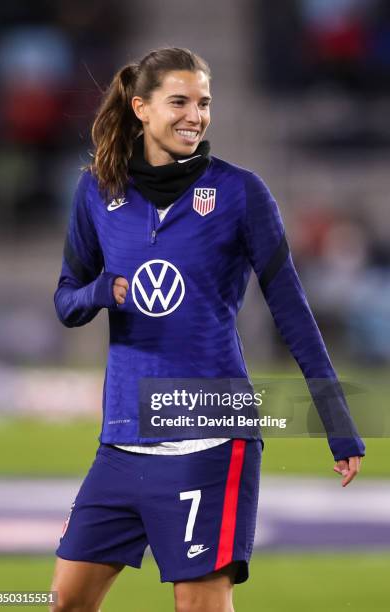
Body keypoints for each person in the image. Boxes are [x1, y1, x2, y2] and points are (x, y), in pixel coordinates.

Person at [50, 47, 365, 612]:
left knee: (199, 607)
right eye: (180, 101)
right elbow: (67, 300)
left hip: (210, 435)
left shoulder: (240, 193)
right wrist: (102, 290)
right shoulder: (96, 192)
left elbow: (290, 308)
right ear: (141, 108)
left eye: (204, 102)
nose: (195, 114)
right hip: (121, 440)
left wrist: (336, 418)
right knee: (66, 600)